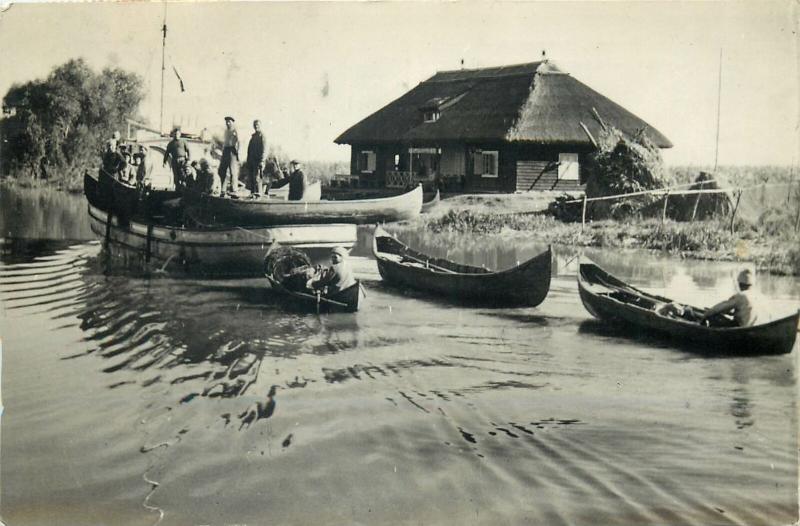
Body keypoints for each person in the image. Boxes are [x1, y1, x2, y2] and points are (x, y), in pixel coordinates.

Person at [218, 116, 240, 193]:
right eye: (226, 122)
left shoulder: (234, 131)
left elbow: (238, 142)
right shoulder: (225, 131)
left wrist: (236, 153)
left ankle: (234, 189)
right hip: (226, 150)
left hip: (232, 150)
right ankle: (223, 188)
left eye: (229, 122)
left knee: (232, 171)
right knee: (221, 170)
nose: (227, 123)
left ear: (232, 123)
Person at [246, 119, 268, 195]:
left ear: (260, 126)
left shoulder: (262, 136)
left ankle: (259, 196)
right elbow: (249, 150)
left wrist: (262, 161)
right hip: (252, 162)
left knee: (257, 179)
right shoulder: (253, 137)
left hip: (258, 162)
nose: (256, 126)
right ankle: (253, 196)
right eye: (255, 125)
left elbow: (264, 150)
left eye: (258, 125)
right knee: (252, 180)